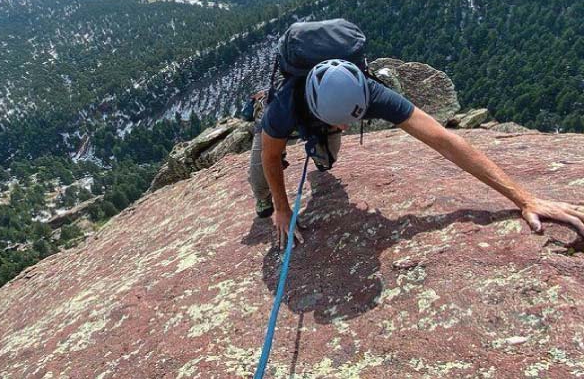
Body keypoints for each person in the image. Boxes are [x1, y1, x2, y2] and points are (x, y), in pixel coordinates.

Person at [248, 59, 584, 248]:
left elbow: (444, 140)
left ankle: (320, 153)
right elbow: (269, 158)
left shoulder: (373, 94)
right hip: (286, 114)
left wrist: (523, 198)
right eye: (341, 125)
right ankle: (264, 200)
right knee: (258, 174)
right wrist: (281, 208)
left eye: (352, 122)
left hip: (320, 116)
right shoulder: (283, 109)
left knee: (327, 159)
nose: (348, 130)